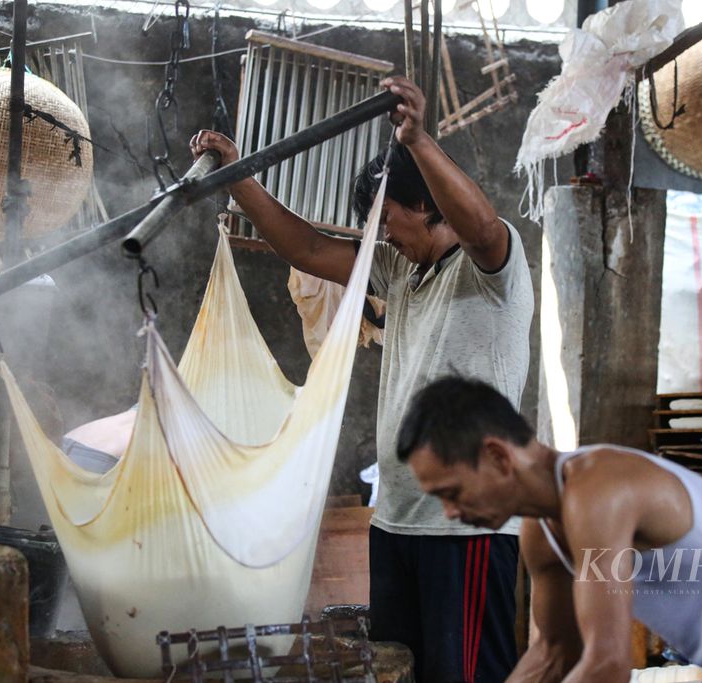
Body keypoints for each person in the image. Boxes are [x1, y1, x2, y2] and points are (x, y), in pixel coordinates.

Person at [191, 76, 534, 683]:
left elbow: (480, 225)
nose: (379, 234)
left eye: (388, 217)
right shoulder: (400, 270)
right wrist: (237, 177)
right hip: (396, 519)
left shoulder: (491, 269)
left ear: (425, 204)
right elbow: (306, 249)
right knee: (398, 671)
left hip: (465, 528)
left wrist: (420, 141)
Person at [397, 377, 702, 683]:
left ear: (499, 456)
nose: (450, 513)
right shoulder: (541, 533)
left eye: (452, 492)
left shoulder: (598, 489)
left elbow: (607, 667)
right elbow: (557, 652)